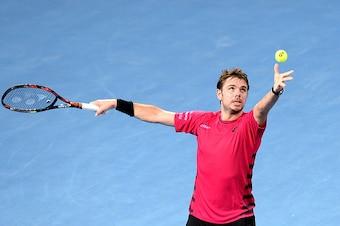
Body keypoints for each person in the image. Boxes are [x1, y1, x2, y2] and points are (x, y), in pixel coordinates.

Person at [90, 63, 294, 226]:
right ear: (219, 94)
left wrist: (275, 91)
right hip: (199, 218)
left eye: (243, 90)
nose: (238, 94)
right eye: (231, 88)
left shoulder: (249, 125)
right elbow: (158, 114)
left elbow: (260, 110)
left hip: (238, 219)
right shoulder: (202, 121)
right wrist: (116, 103)